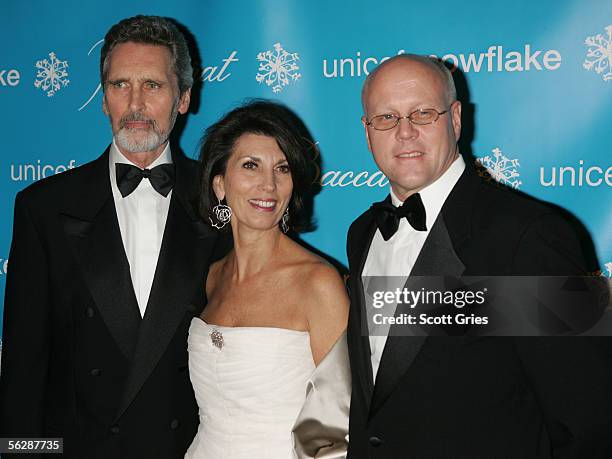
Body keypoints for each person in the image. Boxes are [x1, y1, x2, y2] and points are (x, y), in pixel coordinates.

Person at [346, 54, 612, 458]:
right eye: (386, 118)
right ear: (367, 133)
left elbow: (588, 418)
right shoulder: (363, 233)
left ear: (455, 119)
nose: (404, 133)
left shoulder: (526, 237)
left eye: (422, 113)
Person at [0, 15, 224, 458]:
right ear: (103, 99)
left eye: (154, 86)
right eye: (121, 85)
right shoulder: (43, 208)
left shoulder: (223, 203)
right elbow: (23, 371)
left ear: (183, 98)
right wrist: (26, 453)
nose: (136, 104)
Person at [187, 100, 350, 458]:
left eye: (282, 169)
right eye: (250, 166)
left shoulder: (318, 283)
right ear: (220, 184)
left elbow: (342, 425)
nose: (269, 185)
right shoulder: (213, 276)